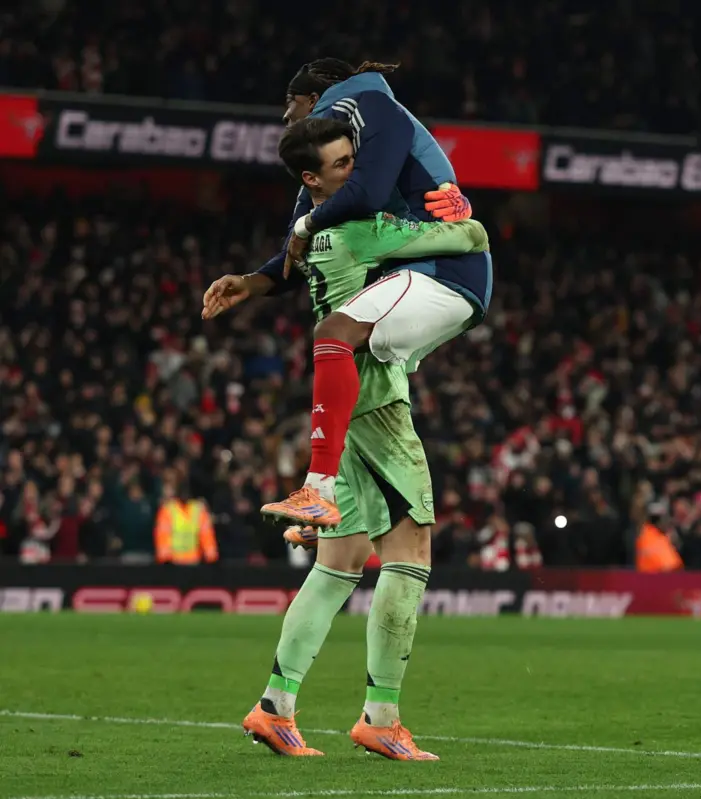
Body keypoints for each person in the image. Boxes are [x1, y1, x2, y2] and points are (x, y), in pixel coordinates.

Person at [203, 118, 489, 759]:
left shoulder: (316, 236)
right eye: (341, 166)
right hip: (376, 400)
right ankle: (381, 716)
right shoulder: (361, 227)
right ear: (313, 180)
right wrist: (459, 206)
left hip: (342, 401)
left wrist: (264, 269)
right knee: (411, 550)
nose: (358, 172)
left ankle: (276, 705)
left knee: (338, 564)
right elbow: (468, 235)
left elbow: (290, 263)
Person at [249, 58, 489, 533]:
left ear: (315, 99)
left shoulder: (366, 112)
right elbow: (293, 256)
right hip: (362, 351)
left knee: (334, 333)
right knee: (340, 560)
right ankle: (324, 512)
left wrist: (465, 221)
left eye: (291, 103)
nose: (286, 115)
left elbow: (369, 194)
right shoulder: (327, 205)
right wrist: (251, 282)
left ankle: (318, 493)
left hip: (432, 278)